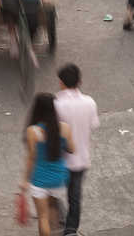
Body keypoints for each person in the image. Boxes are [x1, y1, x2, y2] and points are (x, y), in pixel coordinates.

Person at [23, 91, 76, 236]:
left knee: (42, 217)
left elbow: (32, 157)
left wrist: (24, 181)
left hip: (39, 180)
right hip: (58, 179)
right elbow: (72, 149)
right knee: (53, 207)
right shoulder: (64, 128)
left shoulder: (32, 131)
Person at [54, 64, 98, 236]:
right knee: (75, 196)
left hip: (60, 159)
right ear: (79, 81)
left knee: (51, 190)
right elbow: (93, 125)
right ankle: (71, 229)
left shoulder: (56, 104)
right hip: (81, 159)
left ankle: (53, 217)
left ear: (60, 82)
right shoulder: (90, 102)